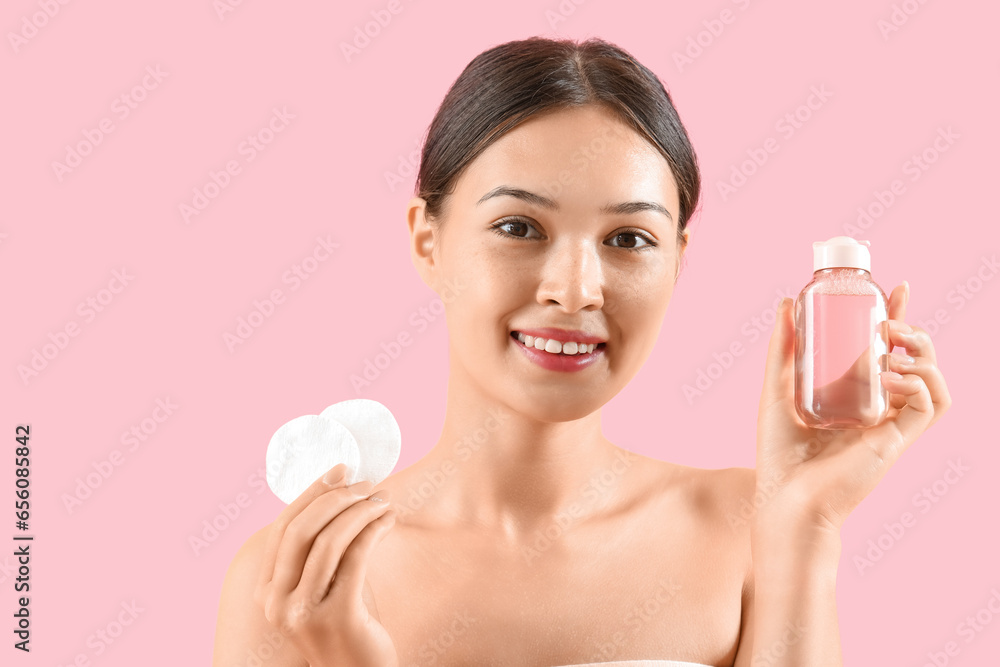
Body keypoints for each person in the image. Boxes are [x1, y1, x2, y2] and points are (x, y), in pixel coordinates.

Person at [212, 36, 951, 667]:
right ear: (426, 239)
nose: (576, 289)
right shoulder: (298, 581)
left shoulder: (750, 527)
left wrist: (805, 525)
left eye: (628, 240)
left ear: (677, 261)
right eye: (519, 227)